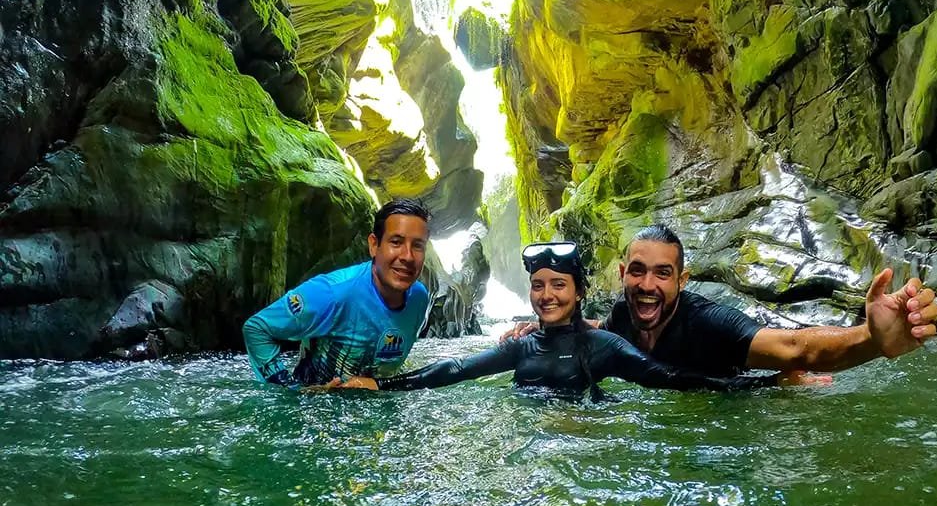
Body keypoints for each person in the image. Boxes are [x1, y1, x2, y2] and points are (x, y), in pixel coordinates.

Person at [310, 242, 813, 397]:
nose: (546, 296)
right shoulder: (520, 345)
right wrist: (379, 384)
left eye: (559, 285)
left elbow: (674, 379)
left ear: (578, 293)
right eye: (538, 285)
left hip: (587, 444)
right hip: (534, 457)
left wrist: (767, 384)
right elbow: (454, 371)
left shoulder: (605, 347)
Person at [504, 224, 937, 378]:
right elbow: (599, 331)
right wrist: (543, 329)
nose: (647, 285)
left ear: (682, 280)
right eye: (637, 271)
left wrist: (870, 338)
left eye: (663, 273)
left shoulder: (710, 323)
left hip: (744, 403)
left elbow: (796, 347)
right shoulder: (622, 314)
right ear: (622, 275)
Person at [243, 198, 431, 387]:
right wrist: (291, 390)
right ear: (374, 245)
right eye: (396, 242)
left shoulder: (419, 299)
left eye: (418, 246)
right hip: (315, 409)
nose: (408, 256)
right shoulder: (332, 293)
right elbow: (257, 328)